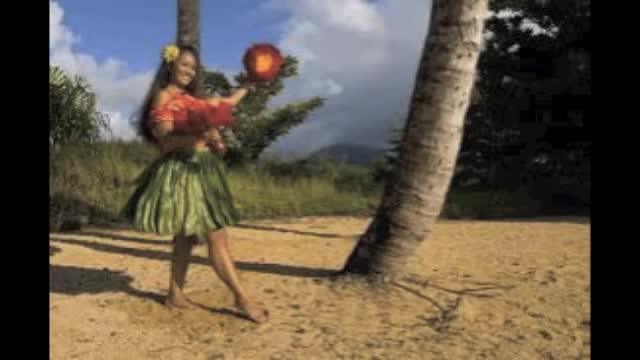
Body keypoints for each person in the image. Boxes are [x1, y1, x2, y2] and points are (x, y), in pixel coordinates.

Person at [124, 44, 268, 324]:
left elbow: (222, 107)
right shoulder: (164, 97)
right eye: (185, 65)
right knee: (217, 236)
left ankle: (174, 295)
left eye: (193, 67)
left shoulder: (189, 98)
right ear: (171, 65)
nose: (190, 71)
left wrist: (247, 85)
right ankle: (242, 298)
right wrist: (196, 138)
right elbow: (164, 141)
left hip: (203, 169)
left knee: (186, 237)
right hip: (185, 173)